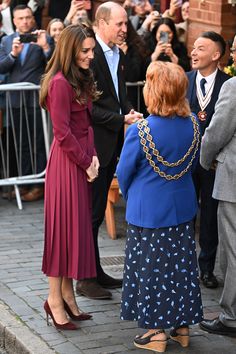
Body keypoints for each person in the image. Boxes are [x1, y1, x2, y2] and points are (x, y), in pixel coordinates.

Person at [116, 61, 203, 352]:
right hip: (182, 209)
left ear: (154, 91)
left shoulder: (140, 130)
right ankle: (182, 328)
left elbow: (124, 173)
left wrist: (134, 197)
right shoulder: (193, 123)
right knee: (181, 269)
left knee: (152, 270)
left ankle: (155, 333)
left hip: (149, 212)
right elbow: (192, 166)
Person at [76, 1, 143, 300]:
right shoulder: (90, 55)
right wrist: (121, 118)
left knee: (98, 213)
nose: (124, 29)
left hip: (112, 142)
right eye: (119, 24)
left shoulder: (118, 53)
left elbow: (120, 96)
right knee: (90, 214)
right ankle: (85, 279)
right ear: (101, 23)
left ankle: (96, 271)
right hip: (93, 145)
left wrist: (131, 111)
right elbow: (89, 108)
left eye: (125, 23)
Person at [40, 24, 99, 330]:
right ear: (69, 50)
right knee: (61, 234)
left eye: (91, 50)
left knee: (72, 232)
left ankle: (66, 295)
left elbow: (84, 124)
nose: (90, 55)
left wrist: (93, 157)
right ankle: (54, 299)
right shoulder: (60, 83)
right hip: (66, 164)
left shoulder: (77, 78)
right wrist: (86, 161)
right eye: (84, 51)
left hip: (79, 159)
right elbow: (62, 133)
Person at [186, 31, 230, 289]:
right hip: (187, 161)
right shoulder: (183, 80)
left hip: (213, 163)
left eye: (201, 49)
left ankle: (206, 268)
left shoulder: (228, 84)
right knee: (186, 213)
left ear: (215, 55)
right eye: (193, 47)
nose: (194, 52)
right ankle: (185, 264)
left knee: (211, 215)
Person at [0, 4, 54, 201]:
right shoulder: (6, 41)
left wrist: (46, 47)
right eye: (21, 18)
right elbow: (2, 68)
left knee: (38, 143)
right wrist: (13, 54)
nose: (25, 21)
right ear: (14, 21)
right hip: (14, 101)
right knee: (20, 144)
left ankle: (38, 186)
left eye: (28, 17)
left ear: (33, 18)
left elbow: (53, 65)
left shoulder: (43, 38)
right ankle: (23, 183)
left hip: (35, 101)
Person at [199, 74, 236, 337]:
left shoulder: (233, 86)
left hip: (234, 180)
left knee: (232, 251)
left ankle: (232, 316)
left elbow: (216, 132)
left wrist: (205, 160)